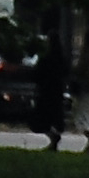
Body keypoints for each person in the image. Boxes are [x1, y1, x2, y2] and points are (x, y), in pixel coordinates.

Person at [31, 15, 68, 150]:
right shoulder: (61, 58)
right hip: (57, 91)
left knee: (41, 118)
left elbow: (38, 73)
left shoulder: (46, 58)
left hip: (46, 91)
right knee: (54, 116)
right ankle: (54, 137)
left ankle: (52, 137)